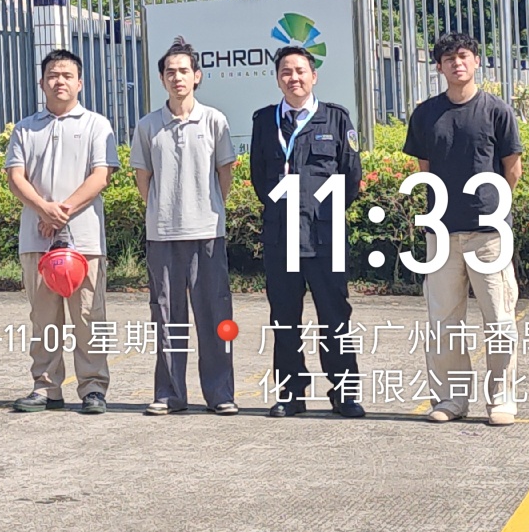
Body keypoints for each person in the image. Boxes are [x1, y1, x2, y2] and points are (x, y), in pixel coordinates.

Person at [402, 32, 524, 426]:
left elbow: (512, 170)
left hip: (489, 234)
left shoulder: (496, 111)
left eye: (464, 55)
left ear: (475, 61)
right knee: (444, 322)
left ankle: (501, 399)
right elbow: (425, 169)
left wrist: (492, 209)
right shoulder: (425, 114)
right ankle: (451, 400)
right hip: (441, 234)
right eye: (449, 58)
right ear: (438, 67)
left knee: (499, 319)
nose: (457, 63)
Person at [249, 45, 365, 418]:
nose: (293, 78)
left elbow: (351, 177)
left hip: (325, 236)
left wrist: (323, 212)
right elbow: (260, 178)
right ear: (277, 79)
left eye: (300, 71)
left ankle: (344, 394)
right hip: (281, 236)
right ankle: (291, 394)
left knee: (335, 317)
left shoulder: (335, 119)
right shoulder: (264, 121)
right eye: (286, 72)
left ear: (313, 76)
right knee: (284, 318)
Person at [5, 48, 120, 415]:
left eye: (67, 76)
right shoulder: (25, 128)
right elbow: (15, 177)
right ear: (42, 83)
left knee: (88, 316)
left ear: (79, 83)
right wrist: (44, 209)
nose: (60, 82)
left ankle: (93, 388)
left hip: (84, 240)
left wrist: (60, 212)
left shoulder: (96, 125)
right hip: (37, 240)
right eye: (53, 75)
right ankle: (46, 387)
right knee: (44, 318)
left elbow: (101, 176)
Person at [130, 37, 238, 416]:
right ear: (162, 79)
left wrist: (207, 209)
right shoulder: (148, 126)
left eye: (184, 71)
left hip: (207, 232)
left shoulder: (214, 121)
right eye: (170, 72)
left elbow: (224, 174)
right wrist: (164, 211)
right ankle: (170, 394)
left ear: (197, 76)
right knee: (166, 316)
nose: (177, 77)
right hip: (163, 235)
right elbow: (144, 179)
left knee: (215, 315)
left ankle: (220, 394)